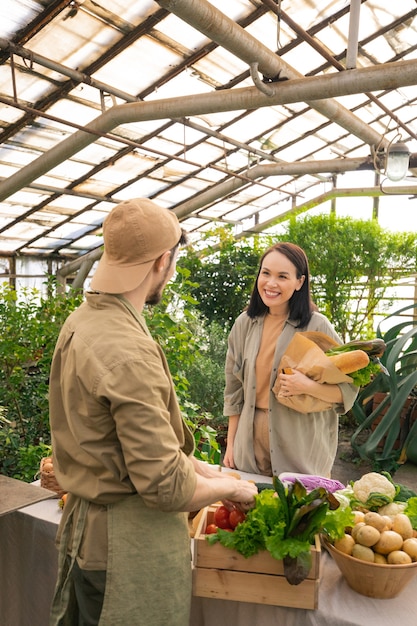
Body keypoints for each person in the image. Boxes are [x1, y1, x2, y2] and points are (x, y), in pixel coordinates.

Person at [48, 198, 257, 626]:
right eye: (175, 260)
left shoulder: (83, 321)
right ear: (163, 261)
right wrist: (233, 491)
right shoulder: (129, 351)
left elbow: (121, 445)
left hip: (88, 535)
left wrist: (204, 469)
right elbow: (163, 485)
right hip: (126, 550)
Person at [222, 242, 358, 479]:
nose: (271, 283)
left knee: (298, 513)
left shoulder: (317, 326)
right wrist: (232, 443)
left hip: (301, 447)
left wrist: (308, 387)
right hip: (250, 445)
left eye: (282, 276)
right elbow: (234, 390)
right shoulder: (244, 324)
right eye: (266, 273)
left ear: (299, 282)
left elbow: (348, 389)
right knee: (250, 511)